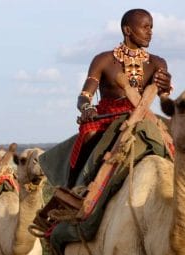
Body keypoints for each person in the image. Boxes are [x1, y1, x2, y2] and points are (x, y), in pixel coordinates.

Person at [68, 8, 173, 193]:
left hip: (143, 116)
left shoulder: (158, 63)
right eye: (145, 27)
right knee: (89, 134)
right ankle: (77, 187)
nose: (150, 32)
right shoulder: (104, 60)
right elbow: (84, 96)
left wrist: (165, 91)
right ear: (127, 30)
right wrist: (86, 108)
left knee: (177, 137)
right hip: (107, 117)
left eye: (152, 27)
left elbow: (165, 103)